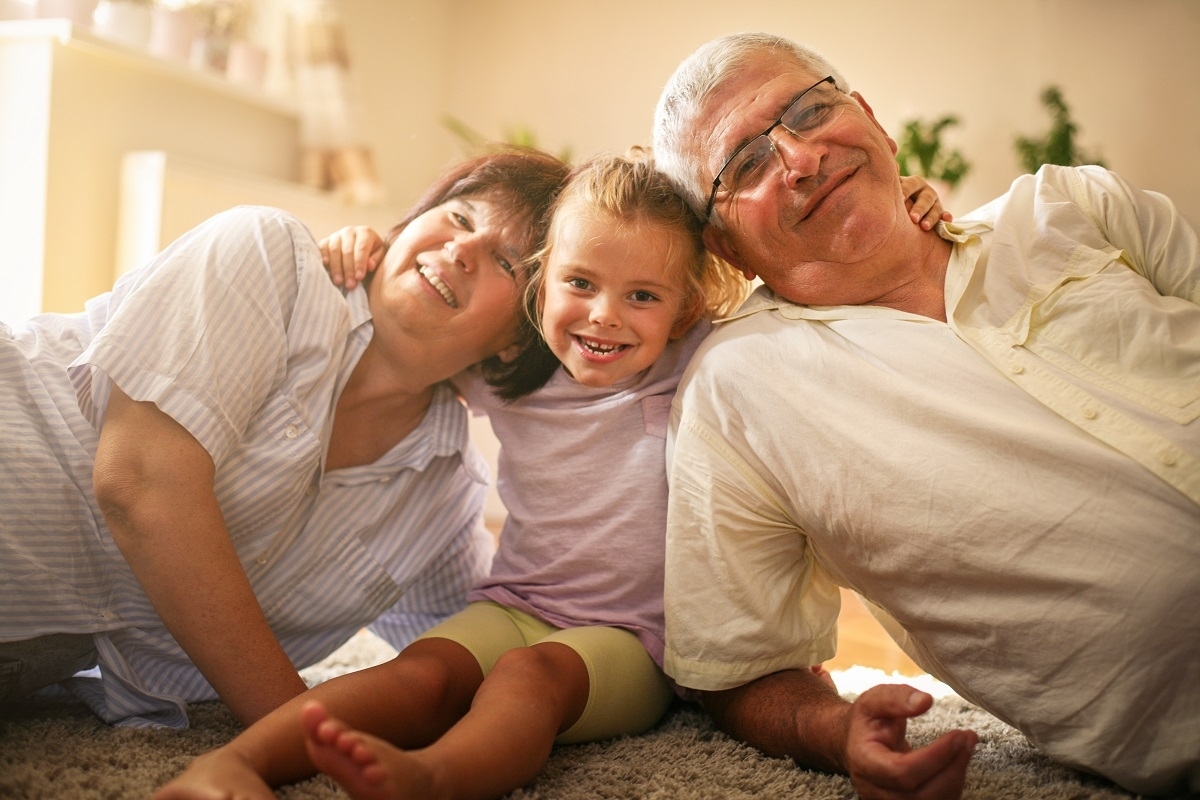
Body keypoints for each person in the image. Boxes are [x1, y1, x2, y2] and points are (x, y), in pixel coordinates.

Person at [154, 150, 947, 800]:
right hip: (516, 602)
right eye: (580, 285)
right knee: (424, 670)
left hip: (633, 645)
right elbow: (421, 328)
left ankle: (434, 777)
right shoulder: (511, 369)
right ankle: (236, 764)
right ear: (539, 288)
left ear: (685, 308)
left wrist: (903, 218)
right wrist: (361, 244)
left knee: (532, 678)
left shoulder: (700, 363)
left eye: (641, 295)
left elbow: (817, 306)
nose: (604, 315)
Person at [651, 31, 1199, 799]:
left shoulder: (1069, 203)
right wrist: (836, 732)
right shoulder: (738, 390)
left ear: (868, 114)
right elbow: (738, 667)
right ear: (723, 244)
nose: (801, 158)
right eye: (745, 164)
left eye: (810, 111)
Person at [0, 147, 569, 729]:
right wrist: (299, 726)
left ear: (521, 338)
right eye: (459, 217)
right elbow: (141, 482)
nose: (460, 249)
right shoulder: (268, 253)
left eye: (506, 261)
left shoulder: (442, 495)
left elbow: (482, 647)